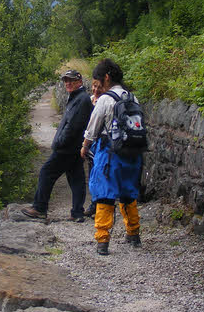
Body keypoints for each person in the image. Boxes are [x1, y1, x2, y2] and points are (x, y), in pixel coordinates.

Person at [80, 59, 143, 255]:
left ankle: (103, 240)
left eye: (98, 80)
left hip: (110, 153)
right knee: (128, 193)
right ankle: (133, 234)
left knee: (104, 195)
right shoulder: (133, 98)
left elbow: (93, 128)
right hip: (133, 153)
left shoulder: (106, 100)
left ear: (106, 77)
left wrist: (84, 147)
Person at [23, 69, 93, 222]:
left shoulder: (81, 99)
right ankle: (77, 212)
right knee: (76, 178)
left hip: (67, 147)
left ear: (80, 82)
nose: (68, 83)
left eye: (71, 80)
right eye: (66, 80)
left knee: (46, 172)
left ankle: (40, 208)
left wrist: (59, 142)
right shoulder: (78, 98)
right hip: (74, 147)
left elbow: (73, 126)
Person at [82, 78, 103, 219]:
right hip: (91, 143)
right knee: (92, 175)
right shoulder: (89, 100)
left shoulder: (105, 103)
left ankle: (98, 206)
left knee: (99, 175)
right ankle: (94, 203)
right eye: (94, 86)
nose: (96, 89)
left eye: (99, 87)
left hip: (100, 143)